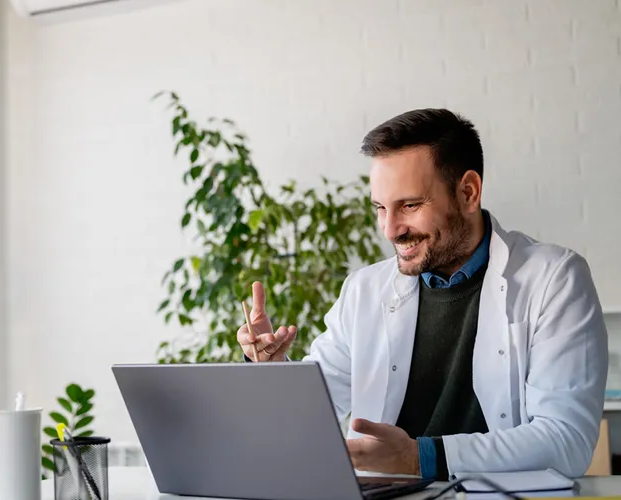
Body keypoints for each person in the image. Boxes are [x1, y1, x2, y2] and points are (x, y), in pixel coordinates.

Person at [237, 109, 608, 480]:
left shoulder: (554, 279)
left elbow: (566, 441)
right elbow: (311, 415)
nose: (390, 230)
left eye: (409, 205)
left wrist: (420, 458)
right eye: (381, 208)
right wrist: (270, 372)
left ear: (468, 192)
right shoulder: (364, 291)